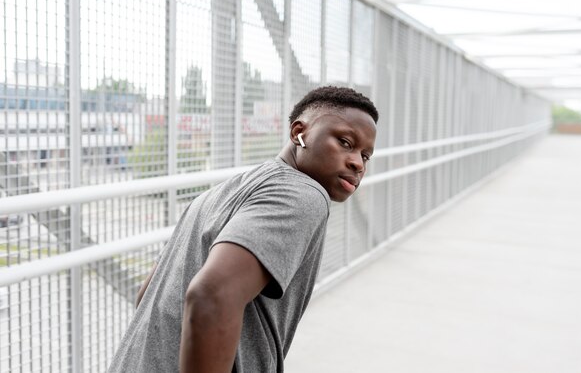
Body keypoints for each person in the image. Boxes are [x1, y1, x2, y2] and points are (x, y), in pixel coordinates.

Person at [107, 86, 378, 373]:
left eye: (366, 155)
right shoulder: (303, 195)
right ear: (299, 133)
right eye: (346, 143)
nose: (357, 163)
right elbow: (211, 294)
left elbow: (147, 294)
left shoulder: (218, 194)